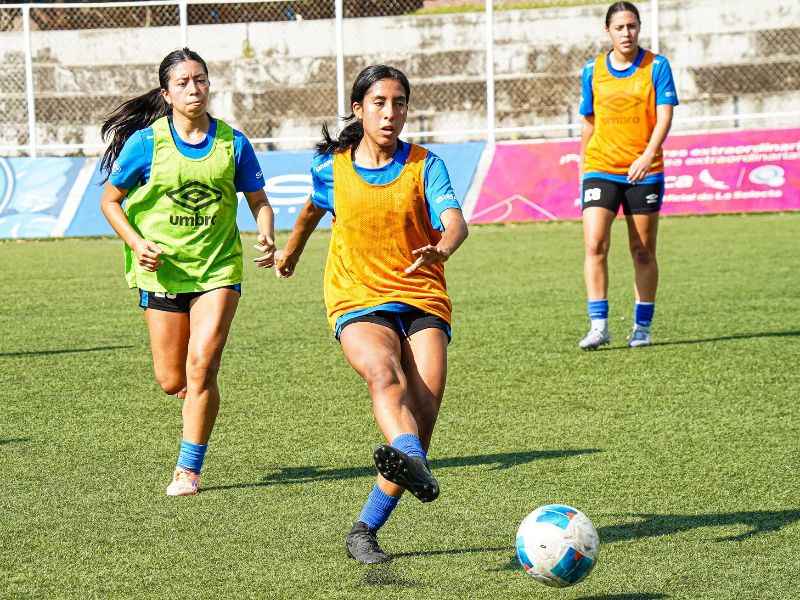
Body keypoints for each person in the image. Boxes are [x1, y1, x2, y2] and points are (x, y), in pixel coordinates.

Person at [274, 65, 468, 564]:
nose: (390, 113)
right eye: (379, 102)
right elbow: (311, 210)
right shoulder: (332, 168)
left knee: (419, 423)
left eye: (399, 103)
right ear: (358, 109)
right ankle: (409, 462)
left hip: (422, 295)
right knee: (384, 375)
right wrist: (290, 252)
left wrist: (443, 248)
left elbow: (455, 222)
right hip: (357, 296)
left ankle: (364, 529)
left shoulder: (425, 165)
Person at [99, 48, 275, 496]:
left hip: (218, 269)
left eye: (200, 80)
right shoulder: (146, 143)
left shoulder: (233, 142)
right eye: (183, 83)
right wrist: (137, 243)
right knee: (172, 380)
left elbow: (258, 200)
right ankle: (196, 393)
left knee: (202, 366)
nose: (194, 89)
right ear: (167, 93)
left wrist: (266, 232)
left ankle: (187, 470)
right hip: (163, 273)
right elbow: (110, 201)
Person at [578, 1, 678, 349]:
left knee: (642, 251)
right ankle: (598, 326)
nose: (626, 33)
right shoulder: (592, 70)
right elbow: (588, 121)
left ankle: (642, 327)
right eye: (619, 27)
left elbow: (665, 116)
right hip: (601, 168)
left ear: (639, 28)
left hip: (644, 172)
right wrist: (583, 167)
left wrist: (647, 155)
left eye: (632, 26)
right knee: (595, 244)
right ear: (608, 31)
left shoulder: (657, 66)